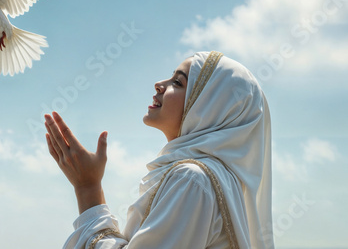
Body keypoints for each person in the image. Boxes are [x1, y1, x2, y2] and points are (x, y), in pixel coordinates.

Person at [44, 51, 274, 249]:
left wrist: (88, 188)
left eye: (179, 83)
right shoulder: (215, 180)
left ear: (210, 107)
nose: (159, 84)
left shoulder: (192, 180)